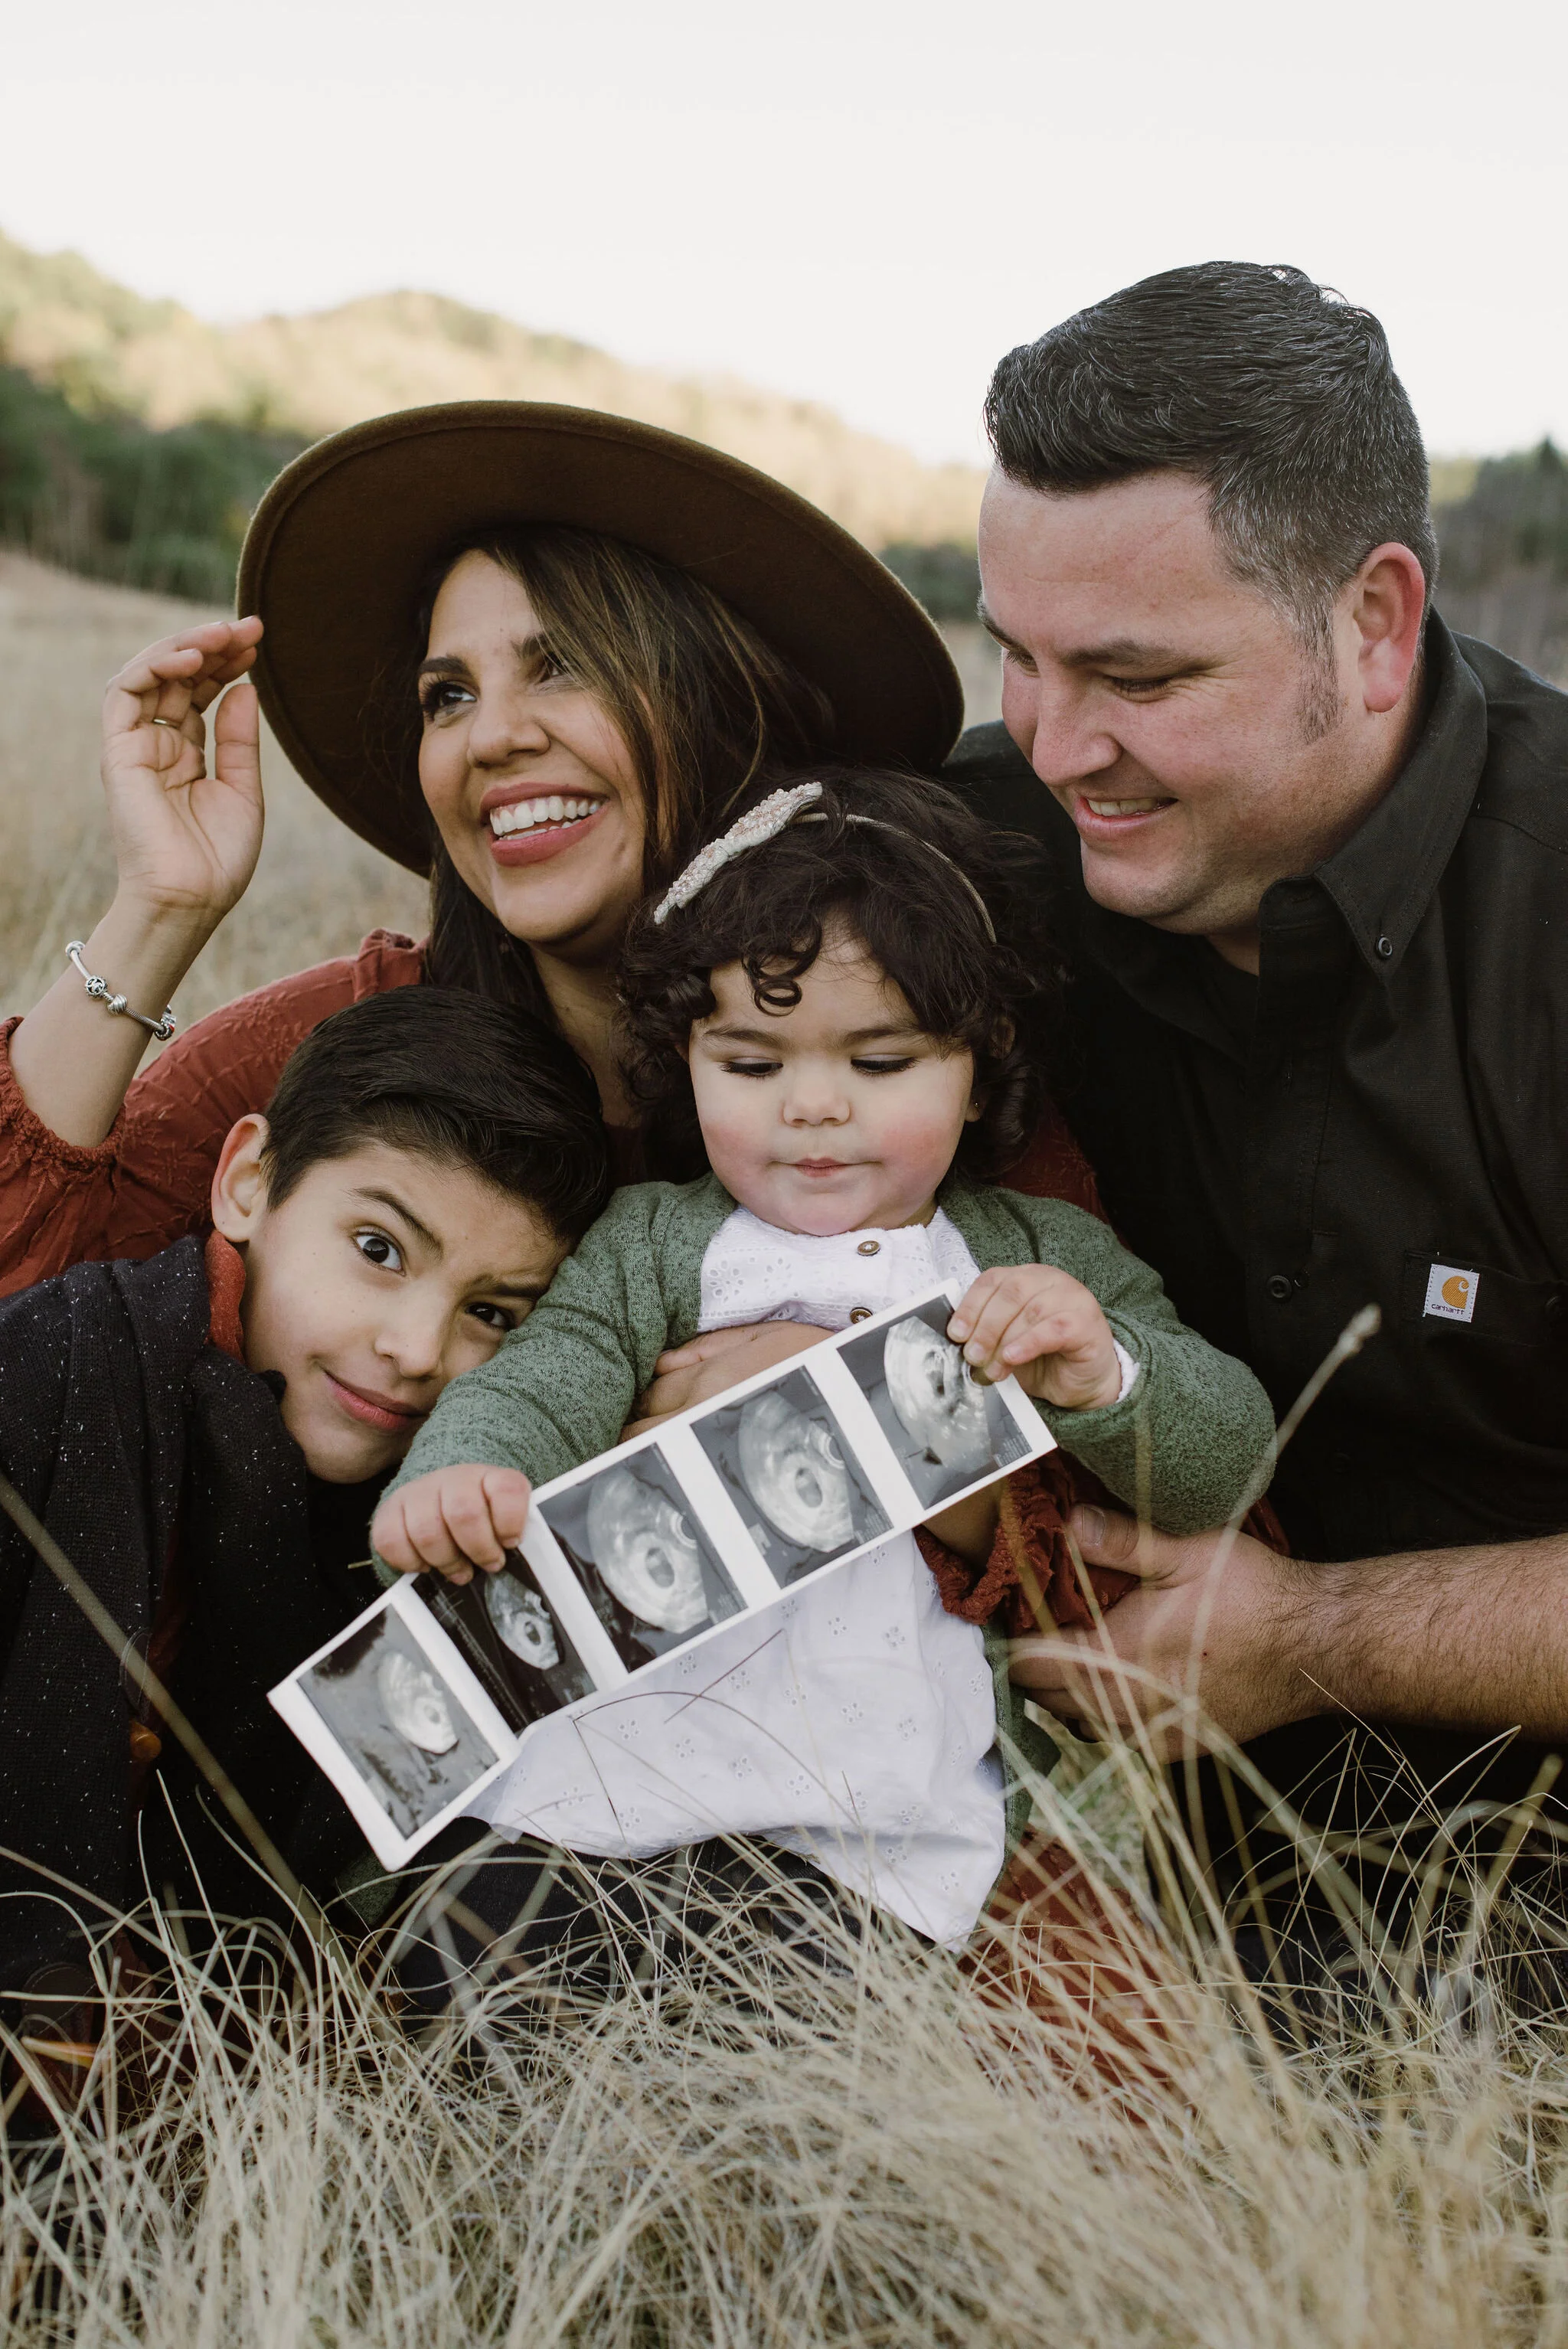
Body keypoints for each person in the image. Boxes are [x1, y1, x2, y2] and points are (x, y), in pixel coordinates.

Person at [369, 767, 1274, 1995]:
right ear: (682, 1057)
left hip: (870, 1829)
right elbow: (550, 1375)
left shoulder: (1034, 1256)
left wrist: (1107, 1370)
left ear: (978, 1055)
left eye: (882, 1060)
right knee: (477, 1987)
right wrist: (462, 1473)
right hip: (604, 1780)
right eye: (749, 1064)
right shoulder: (657, 1243)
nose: (812, 1108)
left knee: (791, 2071)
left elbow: (1228, 1464)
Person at [946, 260, 1568, 1966]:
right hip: (1076, 1846)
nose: (1058, 745)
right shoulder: (978, 850)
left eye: (1138, 679)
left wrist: (1310, 1636)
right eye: (1017, 656)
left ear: (1370, 624)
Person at [0, 402, 967, 1349]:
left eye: (563, 666)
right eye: (447, 695)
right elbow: (29, 1319)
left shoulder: (905, 1031)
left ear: (723, 704)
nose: (491, 737)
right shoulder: (327, 1052)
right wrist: (162, 908)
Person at [0, 985, 609, 2038]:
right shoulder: (60, 1365)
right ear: (247, 1184)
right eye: (378, 1248)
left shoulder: (417, 1530)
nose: (419, 1350)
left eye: (491, 1312)